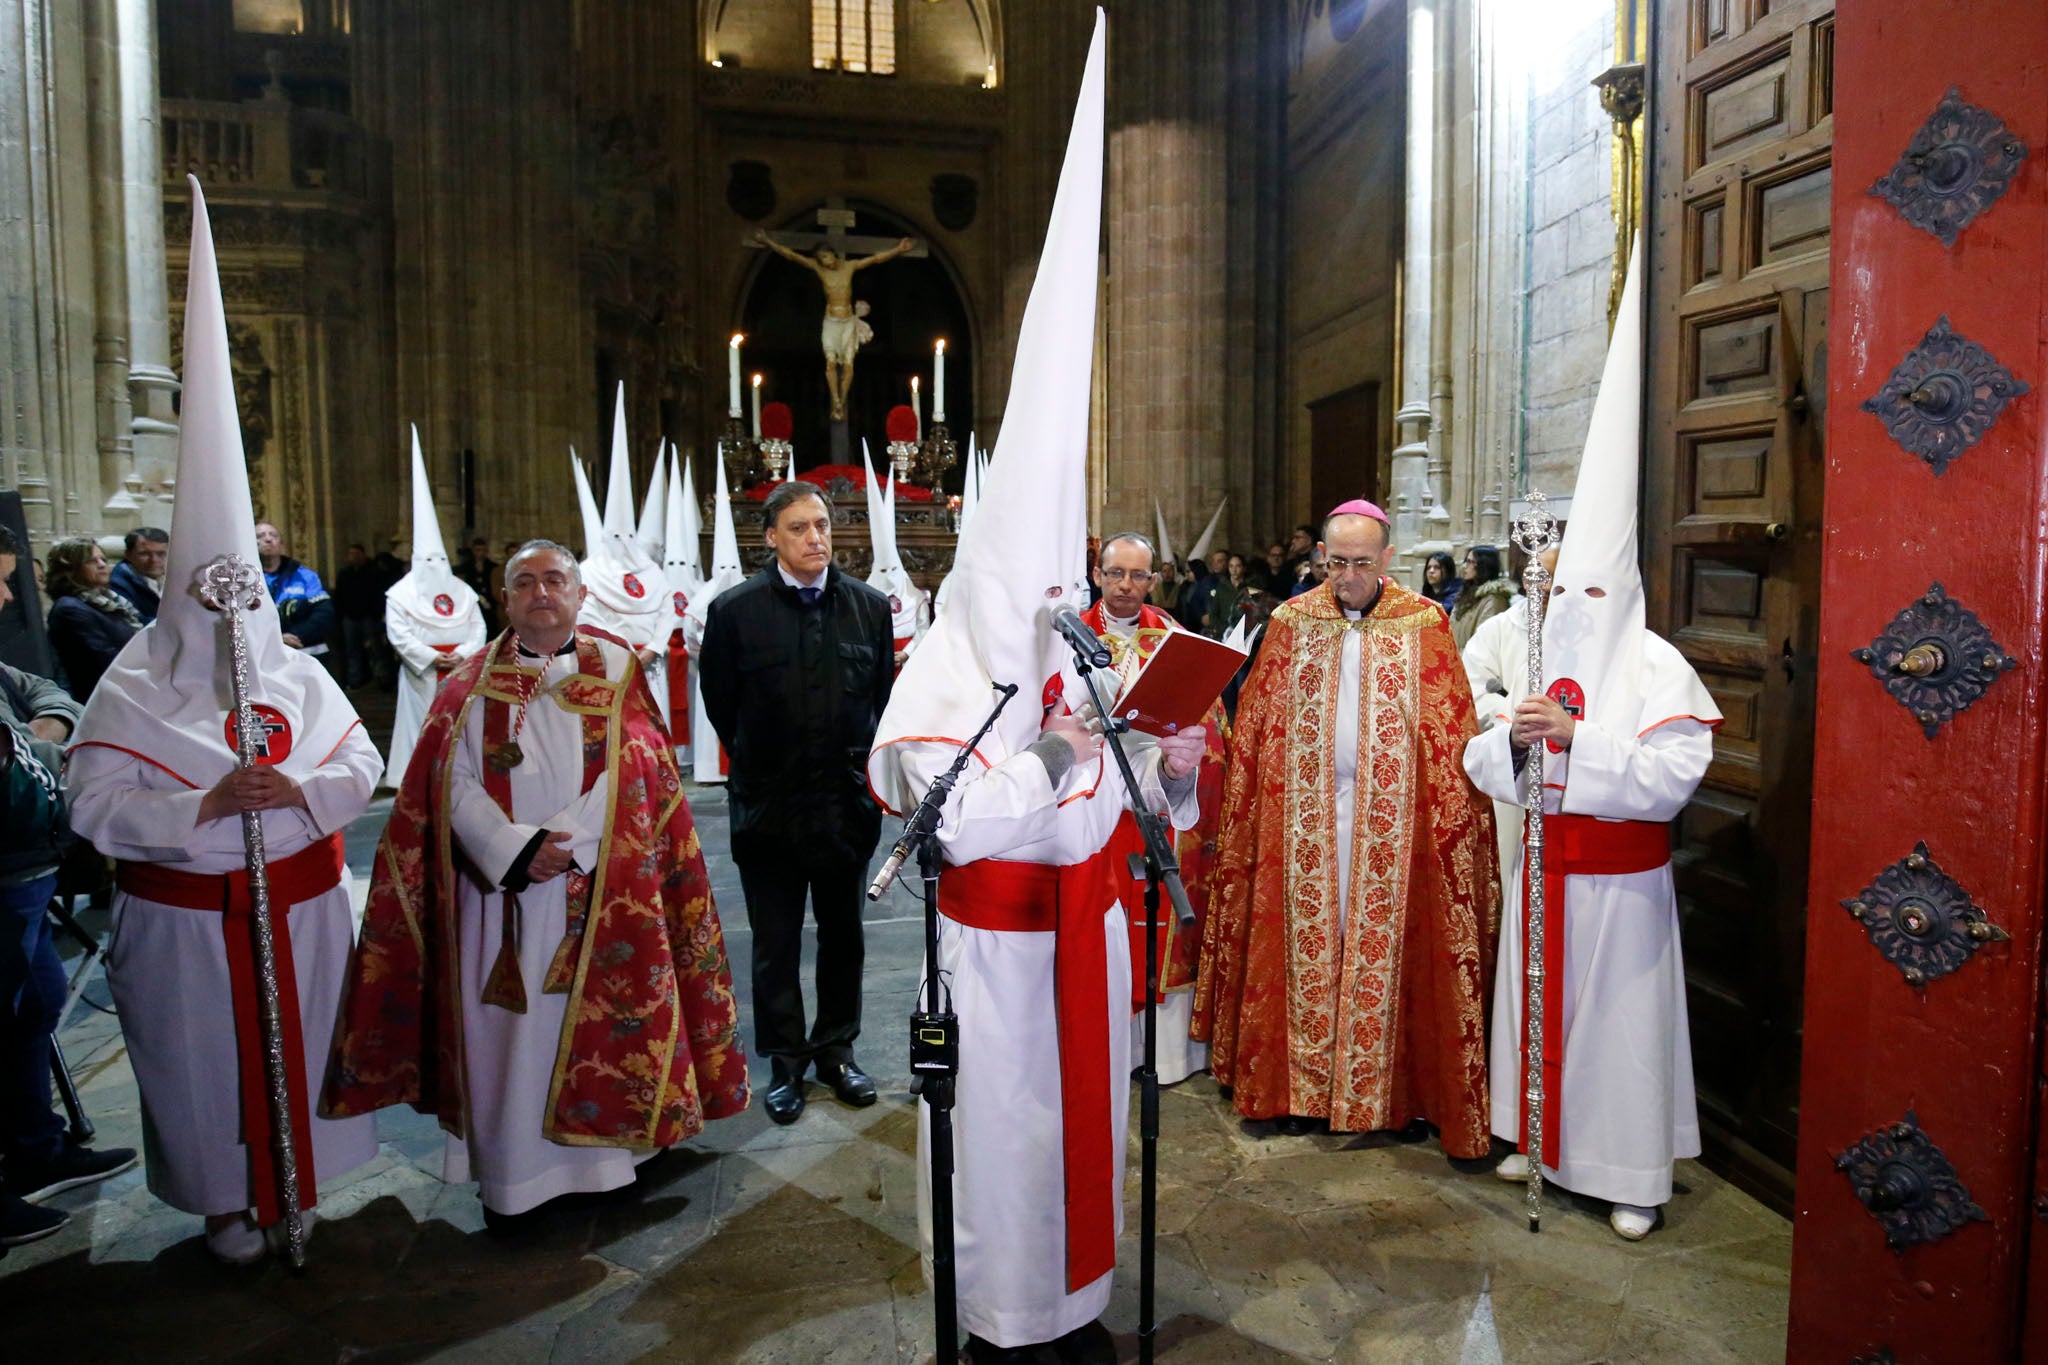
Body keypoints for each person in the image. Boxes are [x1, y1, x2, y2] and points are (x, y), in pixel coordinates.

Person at [869, 26, 1205, 1357]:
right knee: (1007, 1134)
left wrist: (1157, 754)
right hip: (999, 953)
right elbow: (937, 806)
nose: (1049, 607)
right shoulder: (945, 660)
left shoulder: (1076, 644)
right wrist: (1061, 762)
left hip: (1095, 929)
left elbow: (1141, 786)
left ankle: (1075, 1307)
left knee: (1088, 1132)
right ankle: (1002, 1317)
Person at [66, 179, 378, 1264]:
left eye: (243, 586)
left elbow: (360, 758)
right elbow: (95, 802)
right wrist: (201, 801)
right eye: (211, 591)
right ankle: (222, 1203)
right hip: (189, 917)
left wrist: (299, 789)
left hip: (295, 905)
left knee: (308, 1062)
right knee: (201, 1069)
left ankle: (306, 1190)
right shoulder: (134, 684)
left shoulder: (293, 672)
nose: (232, 613)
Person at [325, 540, 749, 1222]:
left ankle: (614, 1161)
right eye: (524, 582)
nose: (542, 592)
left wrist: (570, 841)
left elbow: (639, 767)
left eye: (556, 579)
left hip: (606, 885)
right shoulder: (466, 682)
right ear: (503, 598)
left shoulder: (616, 670)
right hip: (499, 899)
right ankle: (517, 1177)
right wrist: (513, 849)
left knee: (614, 1022)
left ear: (581, 594)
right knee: (507, 1035)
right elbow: (444, 782)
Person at [1464, 245, 1718, 1241]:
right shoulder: (1529, 651)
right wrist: (1516, 738)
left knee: (1616, 1034)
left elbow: (1666, 780)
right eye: (1563, 585)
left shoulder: (1657, 667)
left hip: (1618, 888)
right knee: (1537, 1023)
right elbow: (1480, 762)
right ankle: (1540, 1141)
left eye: (1590, 588)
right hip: (1544, 870)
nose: (1574, 603)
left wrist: (1582, 738)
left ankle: (1626, 1176)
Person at [1194, 501, 1499, 1152]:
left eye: (1362, 563)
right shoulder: (1289, 620)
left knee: (1387, 951)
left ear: (1389, 559)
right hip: (1300, 817)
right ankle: (1292, 1087)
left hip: (1394, 822)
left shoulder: (1425, 622)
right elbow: (1255, 727)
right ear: (1321, 559)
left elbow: (1450, 730)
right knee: (1307, 941)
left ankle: (1394, 1094)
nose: (1349, 576)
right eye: (1337, 563)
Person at [700, 480, 895, 1124]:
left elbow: (880, 702)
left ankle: (837, 1049)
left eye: (822, 526)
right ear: (771, 538)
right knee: (775, 940)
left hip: (844, 806)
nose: (816, 538)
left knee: (844, 935)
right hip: (770, 807)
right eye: (800, 528)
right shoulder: (734, 611)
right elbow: (722, 708)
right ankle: (785, 1060)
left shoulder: (868, 607)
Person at [0, 528, 138, 1251]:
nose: (3, 596)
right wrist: (42, 745)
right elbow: (23, 780)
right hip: (6, 864)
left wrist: (37, 734)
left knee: (36, 1008)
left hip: (26, 872)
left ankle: (36, 1147)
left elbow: (48, 695)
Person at [1082, 532, 1230, 1086]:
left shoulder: (1173, 638)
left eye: (1138, 576)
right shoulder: (1071, 636)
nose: (1126, 586)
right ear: (1097, 574)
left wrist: (1184, 757)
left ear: (1153, 579)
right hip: (1094, 811)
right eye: (1116, 573)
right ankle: (1103, 1046)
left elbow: (1208, 724)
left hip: (1161, 805)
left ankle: (1162, 1053)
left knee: (1161, 920)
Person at [383, 426, 489, 788]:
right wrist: (432, 657)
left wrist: (461, 654)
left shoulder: (461, 590)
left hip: (459, 668)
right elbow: (398, 634)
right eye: (426, 558)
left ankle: (462, 770)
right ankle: (416, 775)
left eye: (438, 558)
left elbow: (477, 626)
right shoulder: (400, 593)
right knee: (420, 723)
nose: (433, 564)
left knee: (463, 722)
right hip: (423, 673)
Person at [44, 538, 142, 702]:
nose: (102, 565)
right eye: (91, 561)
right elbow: (104, 659)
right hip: (100, 697)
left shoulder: (109, 602)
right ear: (70, 569)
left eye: (103, 559)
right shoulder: (69, 609)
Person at [255, 521, 335, 659]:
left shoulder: (305, 576)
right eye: (260, 536)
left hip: (306, 651)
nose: (268, 539)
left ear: (282, 546)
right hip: (262, 653)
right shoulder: (244, 579)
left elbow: (323, 612)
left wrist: (294, 635)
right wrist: (276, 639)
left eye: (273, 535)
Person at [334, 544, 388, 689]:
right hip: (350, 617)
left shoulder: (374, 572)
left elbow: (378, 594)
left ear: (363, 555)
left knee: (376, 650)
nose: (353, 557)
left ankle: (382, 680)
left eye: (356, 553)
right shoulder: (344, 574)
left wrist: (376, 613)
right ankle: (355, 681)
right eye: (350, 554)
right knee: (353, 650)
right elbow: (339, 596)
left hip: (369, 617)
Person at [1450, 545, 1512, 649]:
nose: (1464, 566)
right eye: (1466, 561)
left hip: (1472, 662)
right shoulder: (1465, 595)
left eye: (1470, 562)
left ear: (1483, 565)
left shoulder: (1494, 600)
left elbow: (1485, 642)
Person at [109, 526, 168, 625]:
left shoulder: (173, 578)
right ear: (128, 555)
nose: (154, 560)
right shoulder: (118, 584)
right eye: (144, 554)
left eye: (161, 554)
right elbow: (136, 622)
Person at [1203, 552, 1250, 638]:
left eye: (1238, 566)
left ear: (1244, 568)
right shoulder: (1222, 587)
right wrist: (1224, 629)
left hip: (1245, 633)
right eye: (1231, 566)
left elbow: (1256, 612)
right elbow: (1214, 613)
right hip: (1225, 634)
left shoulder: (1250, 588)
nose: (1234, 570)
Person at [1421, 550, 1460, 615]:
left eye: (1437, 567)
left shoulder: (1456, 594)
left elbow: (1441, 612)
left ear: (1448, 571)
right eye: (1428, 567)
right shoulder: (1425, 594)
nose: (1431, 571)